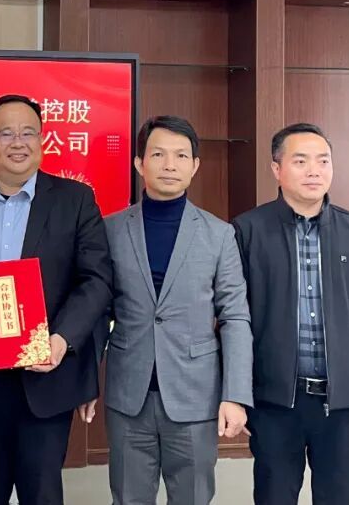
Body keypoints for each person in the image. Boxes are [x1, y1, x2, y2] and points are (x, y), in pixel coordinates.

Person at [0, 94, 113, 505]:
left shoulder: (74, 199)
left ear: (42, 139)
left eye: (28, 133)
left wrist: (62, 339)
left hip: (44, 372)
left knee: (42, 492)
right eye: (6, 133)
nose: (18, 142)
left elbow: (96, 280)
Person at [232, 123, 349, 505]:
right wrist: (235, 394)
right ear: (277, 169)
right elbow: (232, 320)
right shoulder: (247, 231)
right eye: (301, 161)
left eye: (323, 161)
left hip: (344, 405)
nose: (314, 170)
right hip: (275, 404)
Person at [93, 115, 252, 505]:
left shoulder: (219, 234)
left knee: (192, 498)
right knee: (128, 498)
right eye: (158, 154)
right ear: (139, 163)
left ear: (195, 165)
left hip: (195, 394)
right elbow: (96, 309)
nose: (169, 165)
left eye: (181, 156)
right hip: (129, 393)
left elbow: (235, 317)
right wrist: (84, 383)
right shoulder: (111, 229)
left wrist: (235, 394)